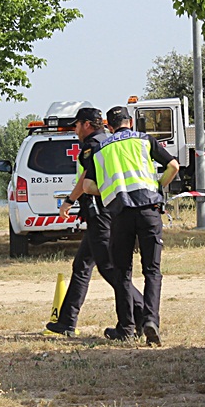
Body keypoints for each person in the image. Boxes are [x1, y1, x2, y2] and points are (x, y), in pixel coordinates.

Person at [46, 107, 144, 337]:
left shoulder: (93, 144)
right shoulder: (105, 140)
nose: (75, 130)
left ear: (87, 124)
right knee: (81, 265)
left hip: (100, 214)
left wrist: (69, 200)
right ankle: (67, 321)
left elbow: (86, 178)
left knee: (110, 269)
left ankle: (141, 314)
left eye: (77, 125)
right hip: (103, 213)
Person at [87, 106, 178, 345]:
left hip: (121, 213)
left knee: (122, 272)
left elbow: (87, 186)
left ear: (109, 126)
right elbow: (174, 166)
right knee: (152, 270)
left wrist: (109, 193)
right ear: (130, 122)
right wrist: (158, 187)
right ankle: (151, 321)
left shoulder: (100, 149)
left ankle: (126, 327)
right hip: (149, 211)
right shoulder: (145, 140)